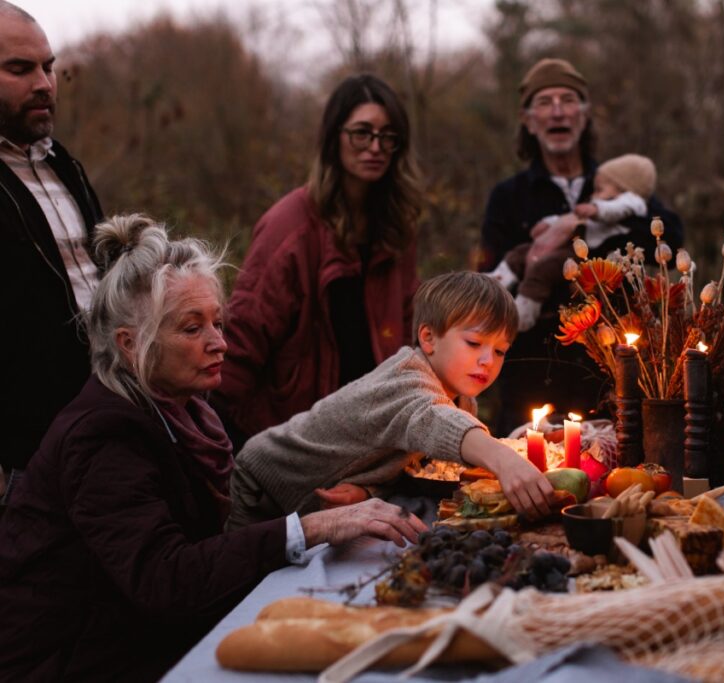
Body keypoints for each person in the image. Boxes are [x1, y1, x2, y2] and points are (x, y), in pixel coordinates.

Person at [0, 215, 426, 681]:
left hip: (131, 635)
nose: (219, 343)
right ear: (130, 344)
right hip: (69, 661)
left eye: (219, 323)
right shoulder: (101, 436)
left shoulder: (185, 413)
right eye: (192, 329)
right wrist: (311, 527)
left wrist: (335, 503)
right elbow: (166, 579)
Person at [227, 271, 557, 530]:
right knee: (240, 593)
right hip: (264, 487)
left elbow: (410, 466)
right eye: (474, 343)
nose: (488, 359)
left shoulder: (461, 399)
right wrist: (504, 460)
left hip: (315, 501)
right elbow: (433, 420)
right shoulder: (406, 380)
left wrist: (369, 492)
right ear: (428, 338)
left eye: (500, 350)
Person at [213, 74, 421, 447]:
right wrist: (206, 434)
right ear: (333, 138)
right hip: (292, 433)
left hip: (369, 432)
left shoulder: (396, 229)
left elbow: (406, 332)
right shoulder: (290, 226)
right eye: (361, 133)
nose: (375, 147)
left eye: (388, 137)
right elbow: (245, 336)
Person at [478, 57, 683, 435]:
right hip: (532, 370)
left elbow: (669, 234)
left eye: (568, 99)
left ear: (585, 115)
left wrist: (587, 221)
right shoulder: (508, 197)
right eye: (545, 102)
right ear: (528, 120)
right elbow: (491, 279)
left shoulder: (614, 183)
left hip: (609, 373)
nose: (557, 110)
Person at [0, 2, 103, 504]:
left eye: (48, 66)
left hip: (100, 434)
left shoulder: (63, 164)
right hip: (26, 463)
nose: (44, 83)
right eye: (19, 69)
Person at [489, 153, 658, 331]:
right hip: (572, 244)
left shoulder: (633, 202)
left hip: (585, 256)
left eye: (600, 189)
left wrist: (596, 209)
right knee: (521, 252)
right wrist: (549, 223)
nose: (595, 194)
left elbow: (616, 210)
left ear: (624, 187)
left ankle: (522, 315)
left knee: (543, 269)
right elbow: (572, 218)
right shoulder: (598, 202)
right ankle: (496, 281)